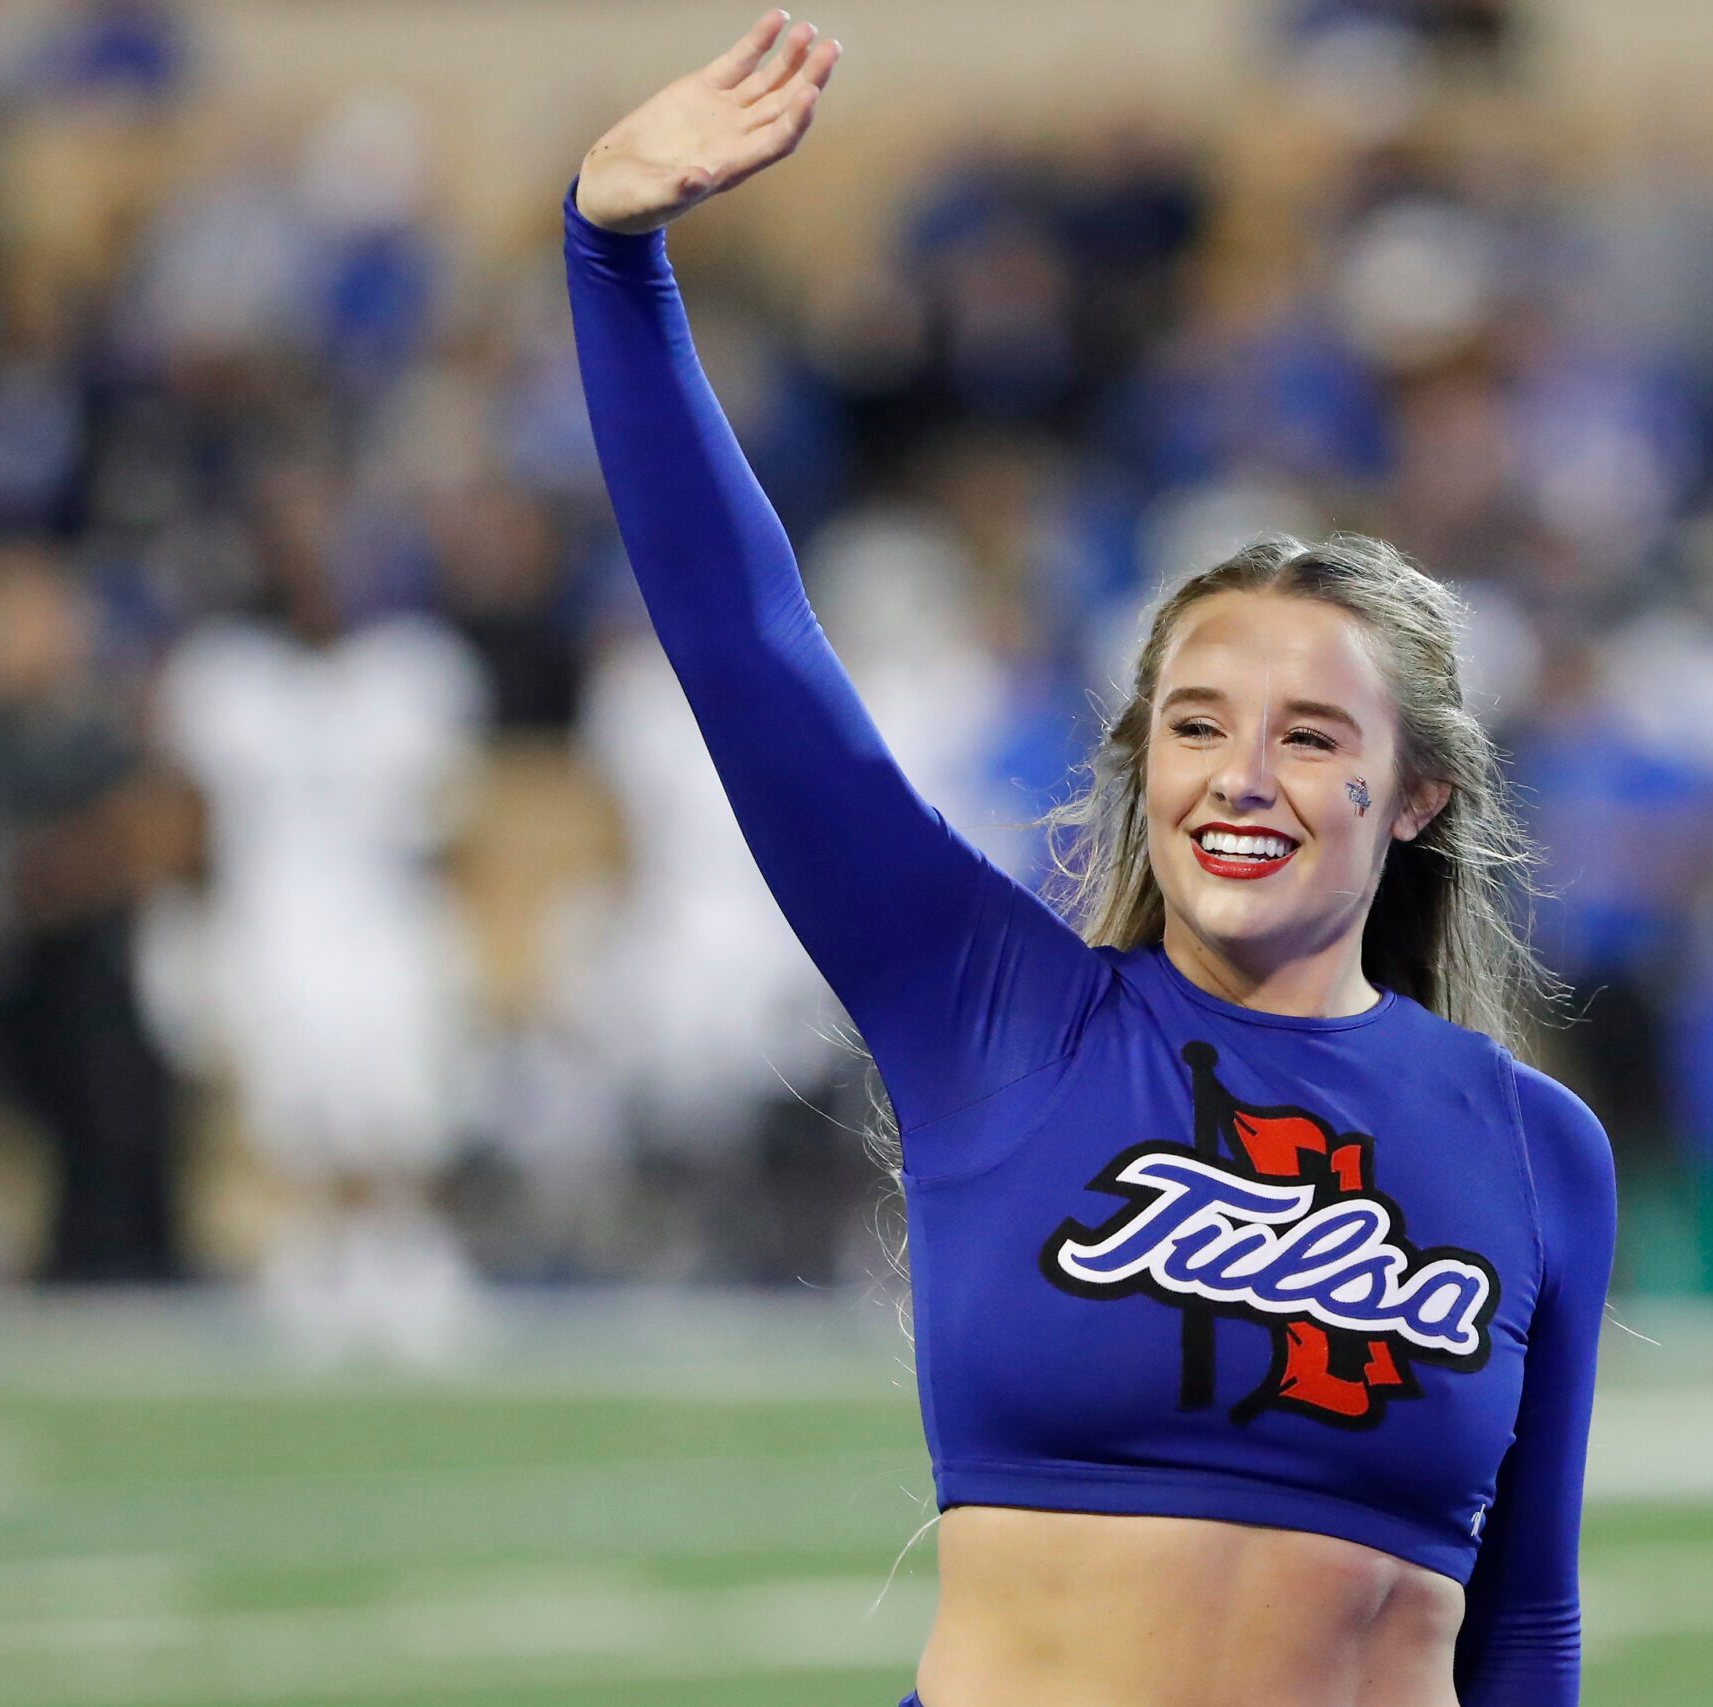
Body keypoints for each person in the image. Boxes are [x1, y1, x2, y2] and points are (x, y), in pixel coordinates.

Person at [563, 14, 1613, 1704]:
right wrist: (616, 259)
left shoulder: (1533, 1149)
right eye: (1195, 728)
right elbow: (749, 653)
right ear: (1137, 769)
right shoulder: (998, 1020)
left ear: (1413, 796)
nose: (1241, 780)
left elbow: (1526, 1630)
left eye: (1312, 737)